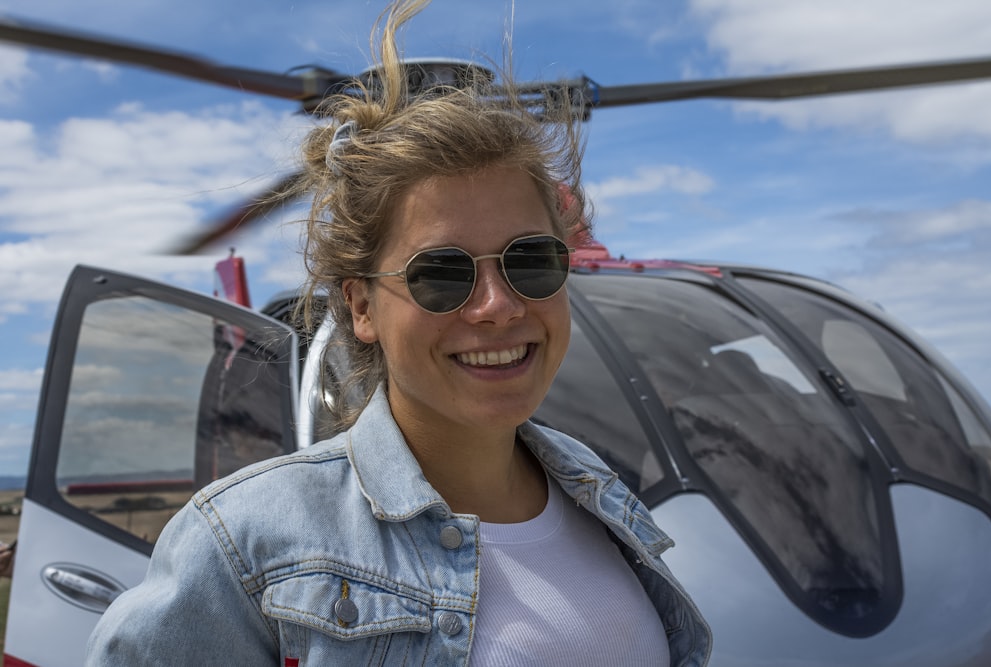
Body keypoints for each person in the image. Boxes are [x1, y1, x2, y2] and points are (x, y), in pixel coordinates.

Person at [86, 0, 711, 664]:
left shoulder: (598, 491)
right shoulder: (244, 547)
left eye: (531, 260)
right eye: (441, 274)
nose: (498, 305)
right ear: (361, 305)